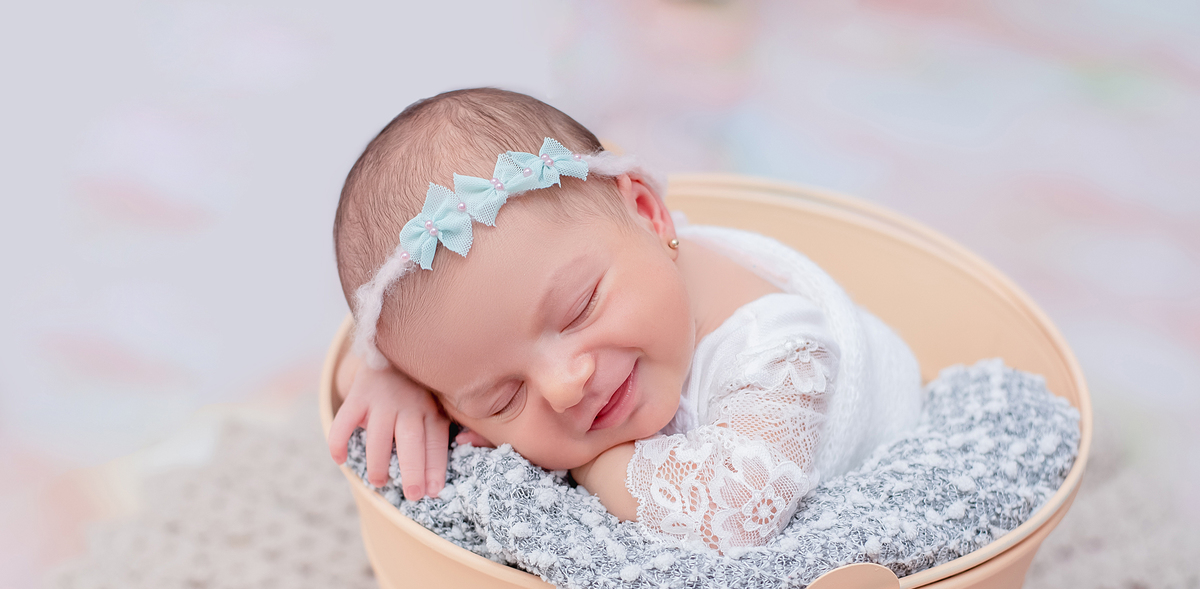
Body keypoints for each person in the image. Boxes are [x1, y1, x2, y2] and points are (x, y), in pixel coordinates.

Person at [328, 87, 921, 552]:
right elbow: (391, 358)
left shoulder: (775, 345)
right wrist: (388, 379)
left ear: (647, 213)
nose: (564, 386)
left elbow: (732, 516)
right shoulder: (596, 269)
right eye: (503, 398)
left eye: (579, 309)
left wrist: (591, 465)